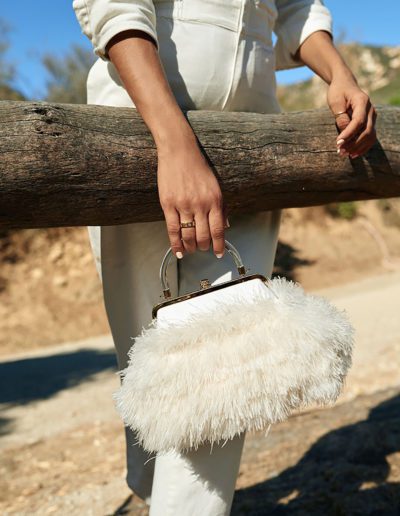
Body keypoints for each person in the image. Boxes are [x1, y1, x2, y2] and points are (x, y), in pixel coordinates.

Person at [72, 1, 377, 514]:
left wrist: (340, 74)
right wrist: (175, 146)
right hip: (138, 126)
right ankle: (153, 489)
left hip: (252, 143)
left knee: (222, 373)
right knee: (148, 371)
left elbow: (297, 8)